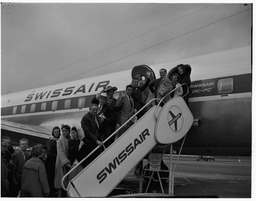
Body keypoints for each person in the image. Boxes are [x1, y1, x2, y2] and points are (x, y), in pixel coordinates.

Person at [78, 103, 104, 168]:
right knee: (90, 161)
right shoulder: (86, 118)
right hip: (90, 143)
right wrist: (96, 141)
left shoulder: (96, 116)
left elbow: (98, 128)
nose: (95, 111)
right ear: (89, 109)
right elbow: (87, 132)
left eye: (96, 110)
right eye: (93, 109)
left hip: (96, 142)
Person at [54, 125, 71, 197]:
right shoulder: (60, 140)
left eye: (66, 131)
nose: (64, 133)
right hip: (61, 163)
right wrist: (66, 162)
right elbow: (60, 152)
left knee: (65, 180)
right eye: (63, 131)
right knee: (60, 182)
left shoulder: (70, 139)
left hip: (67, 162)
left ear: (69, 131)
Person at [45, 126, 61, 197]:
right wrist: (58, 155)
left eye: (57, 132)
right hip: (52, 163)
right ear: (53, 133)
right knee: (51, 178)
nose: (56, 133)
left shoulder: (59, 140)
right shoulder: (51, 141)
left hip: (57, 162)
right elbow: (49, 153)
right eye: (55, 132)